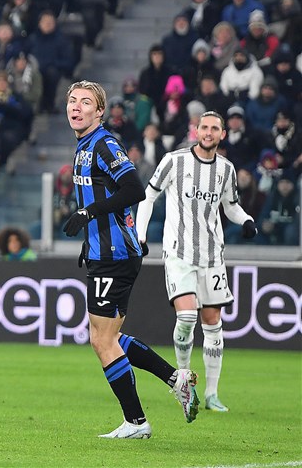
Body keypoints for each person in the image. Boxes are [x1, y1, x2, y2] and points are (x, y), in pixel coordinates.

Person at [61, 80, 199, 439]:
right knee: (109, 335)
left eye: (85, 102)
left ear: (100, 111)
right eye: (72, 101)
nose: (76, 107)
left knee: (101, 341)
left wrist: (88, 213)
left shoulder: (104, 143)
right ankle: (176, 378)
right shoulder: (83, 145)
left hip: (114, 256)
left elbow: (134, 188)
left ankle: (136, 422)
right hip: (109, 253)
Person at [135, 111, 257, 414]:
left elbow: (231, 207)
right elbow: (148, 197)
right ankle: (184, 380)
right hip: (178, 252)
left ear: (222, 135)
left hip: (213, 255)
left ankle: (213, 393)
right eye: (204, 127)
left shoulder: (226, 170)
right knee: (187, 318)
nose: (209, 132)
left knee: (213, 322)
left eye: (215, 128)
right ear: (196, 130)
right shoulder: (174, 161)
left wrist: (246, 220)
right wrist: (139, 235)